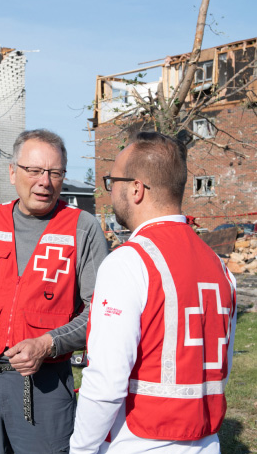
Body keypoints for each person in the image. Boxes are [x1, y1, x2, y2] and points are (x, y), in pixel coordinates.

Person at [0, 129, 108, 454]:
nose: (45, 181)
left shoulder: (83, 229)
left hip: (43, 385)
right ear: (13, 172)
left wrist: (48, 343)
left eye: (55, 173)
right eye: (35, 170)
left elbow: (102, 311)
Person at [70, 131, 237, 454]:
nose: (110, 192)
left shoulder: (128, 262)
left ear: (136, 189)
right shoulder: (219, 267)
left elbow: (106, 382)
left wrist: (80, 449)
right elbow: (222, 366)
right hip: (205, 443)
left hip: (137, 442)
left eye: (112, 181)